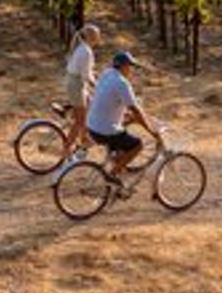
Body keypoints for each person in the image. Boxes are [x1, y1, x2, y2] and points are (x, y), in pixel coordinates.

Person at [86, 51, 160, 188]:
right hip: (105, 130)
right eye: (130, 66)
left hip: (92, 125)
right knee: (137, 145)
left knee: (121, 146)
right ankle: (112, 175)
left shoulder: (107, 73)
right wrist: (151, 130)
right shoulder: (122, 83)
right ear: (124, 66)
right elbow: (136, 110)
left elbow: (109, 99)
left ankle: (116, 166)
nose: (131, 70)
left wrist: (126, 115)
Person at [63, 24, 101, 157]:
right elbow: (86, 76)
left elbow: (85, 71)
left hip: (75, 83)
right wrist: (98, 86)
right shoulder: (86, 51)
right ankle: (67, 149)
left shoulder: (82, 48)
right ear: (92, 37)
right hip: (76, 85)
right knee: (80, 120)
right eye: (98, 35)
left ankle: (83, 141)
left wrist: (95, 76)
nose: (99, 38)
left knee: (89, 108)